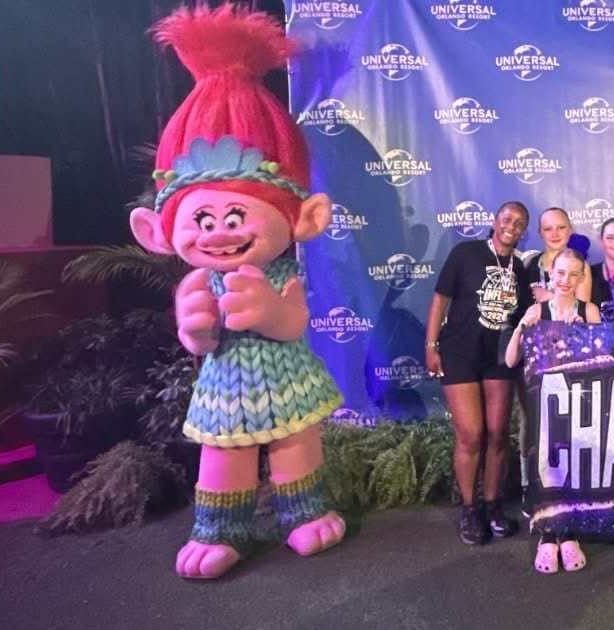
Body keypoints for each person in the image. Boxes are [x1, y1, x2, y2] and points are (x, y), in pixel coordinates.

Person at [127, 4, 346, 579]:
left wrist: (271, 311)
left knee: (296, 442)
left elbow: (293, 320)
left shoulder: (282, 275)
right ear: (158, 232)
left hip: (287, 380)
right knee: (226, 452)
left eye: (236, 215)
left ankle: (305, 511)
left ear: (304, 219)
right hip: (225, 389)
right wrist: (195, 328)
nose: (219, 231)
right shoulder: (199, 281)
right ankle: (221, 529)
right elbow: (197, 343)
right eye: (202, 219)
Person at [424, 201, 532, 545]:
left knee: (498, 433)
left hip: (498, 357)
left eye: (519, 222)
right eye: (507, 219)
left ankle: (492, 504)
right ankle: (470, 509)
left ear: (523, 231)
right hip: (459, 352)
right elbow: (440, 299)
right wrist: (431, 345)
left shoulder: (521, 268)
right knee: (471, 434)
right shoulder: (466, 253)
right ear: (495, 221)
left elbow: (525, 315)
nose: (511, 226)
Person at [504, 248, 599, 573]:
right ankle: (546, 534)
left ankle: (569, 531)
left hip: (577, 401)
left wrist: (583, 334)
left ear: (582, 277)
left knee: (572, 465)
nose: (566, 280)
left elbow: (600, 363)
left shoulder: (589, 311)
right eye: (560, 273)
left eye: (573, 274)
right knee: (544, 465)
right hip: (542, 403)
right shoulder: (537, 309)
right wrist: (522, 327)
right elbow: (511, 360)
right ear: (550, 274)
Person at [524, 207, 593, 304]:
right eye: (548, 229)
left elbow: (583, 309)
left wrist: (551, 298)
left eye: (561, 227)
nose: (555, 234)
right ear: (540, 233)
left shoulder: (581, 266)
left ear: (570, 229)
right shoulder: (530, 264)